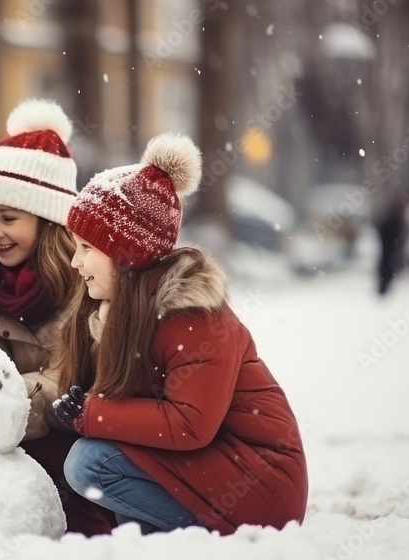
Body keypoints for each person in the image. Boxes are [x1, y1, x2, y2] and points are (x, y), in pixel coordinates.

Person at [51, 132, 308, 535]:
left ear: (125, 253)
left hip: (261, 483)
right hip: (216, 468)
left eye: (86, 247)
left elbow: (189, 423)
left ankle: (191, 542)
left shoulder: (193, 317)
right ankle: (151, 544)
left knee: (91, 463)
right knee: (98, 457)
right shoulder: (118, 314)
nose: (73, 261)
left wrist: (91, 414)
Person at [0, 98, 117, 535]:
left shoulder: (87, 287)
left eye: (8, 217)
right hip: (9, 437)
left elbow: (76, 380)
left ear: (49, 221)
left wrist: (3, 398)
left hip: (69, 437)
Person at [376, 195, 408, 296]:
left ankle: (384, 289)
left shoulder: (394, 219)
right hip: (389, 248)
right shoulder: (393, 220)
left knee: (387, 267)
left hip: (390, 248)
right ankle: (383, 289)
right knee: (387, 267)